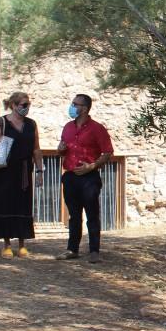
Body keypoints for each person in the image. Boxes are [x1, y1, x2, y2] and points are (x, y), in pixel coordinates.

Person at [0, 91, 43, 257]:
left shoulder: (31, 124)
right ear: (14, 105)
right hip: (4, 171)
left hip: (24, 171)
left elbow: (36, 149)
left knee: (23, 205)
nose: (26, 107)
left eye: (28, 104)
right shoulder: (1, 122)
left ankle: (22, 244)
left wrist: (40, 170)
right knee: (5, 204)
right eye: (24, 105)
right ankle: (7, 244)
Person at [56, 94, 113, 263]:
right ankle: (72, 249)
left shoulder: (97, 128)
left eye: (76, 104)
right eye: (72, 103)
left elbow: (108, 152)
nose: (72, 106)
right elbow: (61, 151)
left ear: (85, 108)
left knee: (92, 214)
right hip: (70, 176)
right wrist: (60, 149)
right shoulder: (68, 127)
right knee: (74, 215)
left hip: (89, 178)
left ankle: (94, 251)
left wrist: (92, 166)